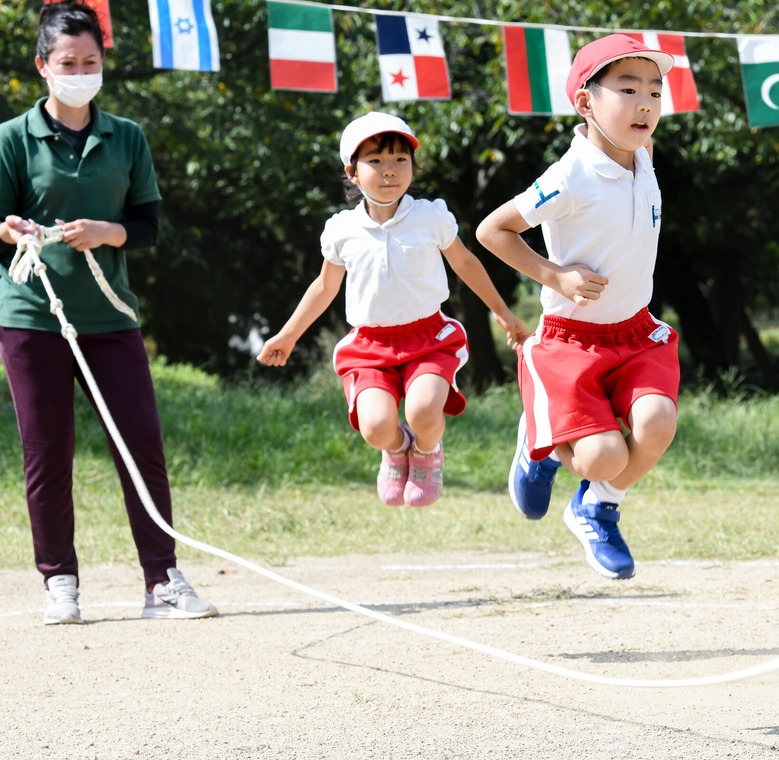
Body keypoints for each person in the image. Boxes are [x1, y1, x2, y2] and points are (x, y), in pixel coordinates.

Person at [0, 1, 218, 624]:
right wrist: (13, 229)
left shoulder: (128, 136)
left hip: (111, 317)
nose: (79, 70)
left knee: (141, 445)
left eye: (89, 61)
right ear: (42, 65)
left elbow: (148, 226)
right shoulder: (11, 139)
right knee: (47, 453)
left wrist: (107, 232)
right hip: (32, 317)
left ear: (103, 64)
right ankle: (59, 582)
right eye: (67, 62)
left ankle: (162, 581)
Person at [476, 35, 679, 581]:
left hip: (636, 335)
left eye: (655, 92)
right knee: (603, 456)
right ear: (586, 103)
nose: (645, 103)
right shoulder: (571, 175)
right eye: (628, 88)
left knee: (659, 423)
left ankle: (597, 506)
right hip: (571, 341)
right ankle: (536, 442)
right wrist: (554, 275)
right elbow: (492, 230)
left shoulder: (645, 156)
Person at [258, 112, 528, 508]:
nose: (390, 171)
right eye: (376, 161)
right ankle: (398, 449)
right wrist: (288, 335)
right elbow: (324, 287)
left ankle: (426, 452)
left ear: (413, 168)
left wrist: (503, 313)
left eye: (401, 160)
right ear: (351, 173)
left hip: (428, 337)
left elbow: (466, 263)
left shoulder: (430, 217)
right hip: (370, 345)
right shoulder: (341, 230)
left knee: (423, 410)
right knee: (376, 428)